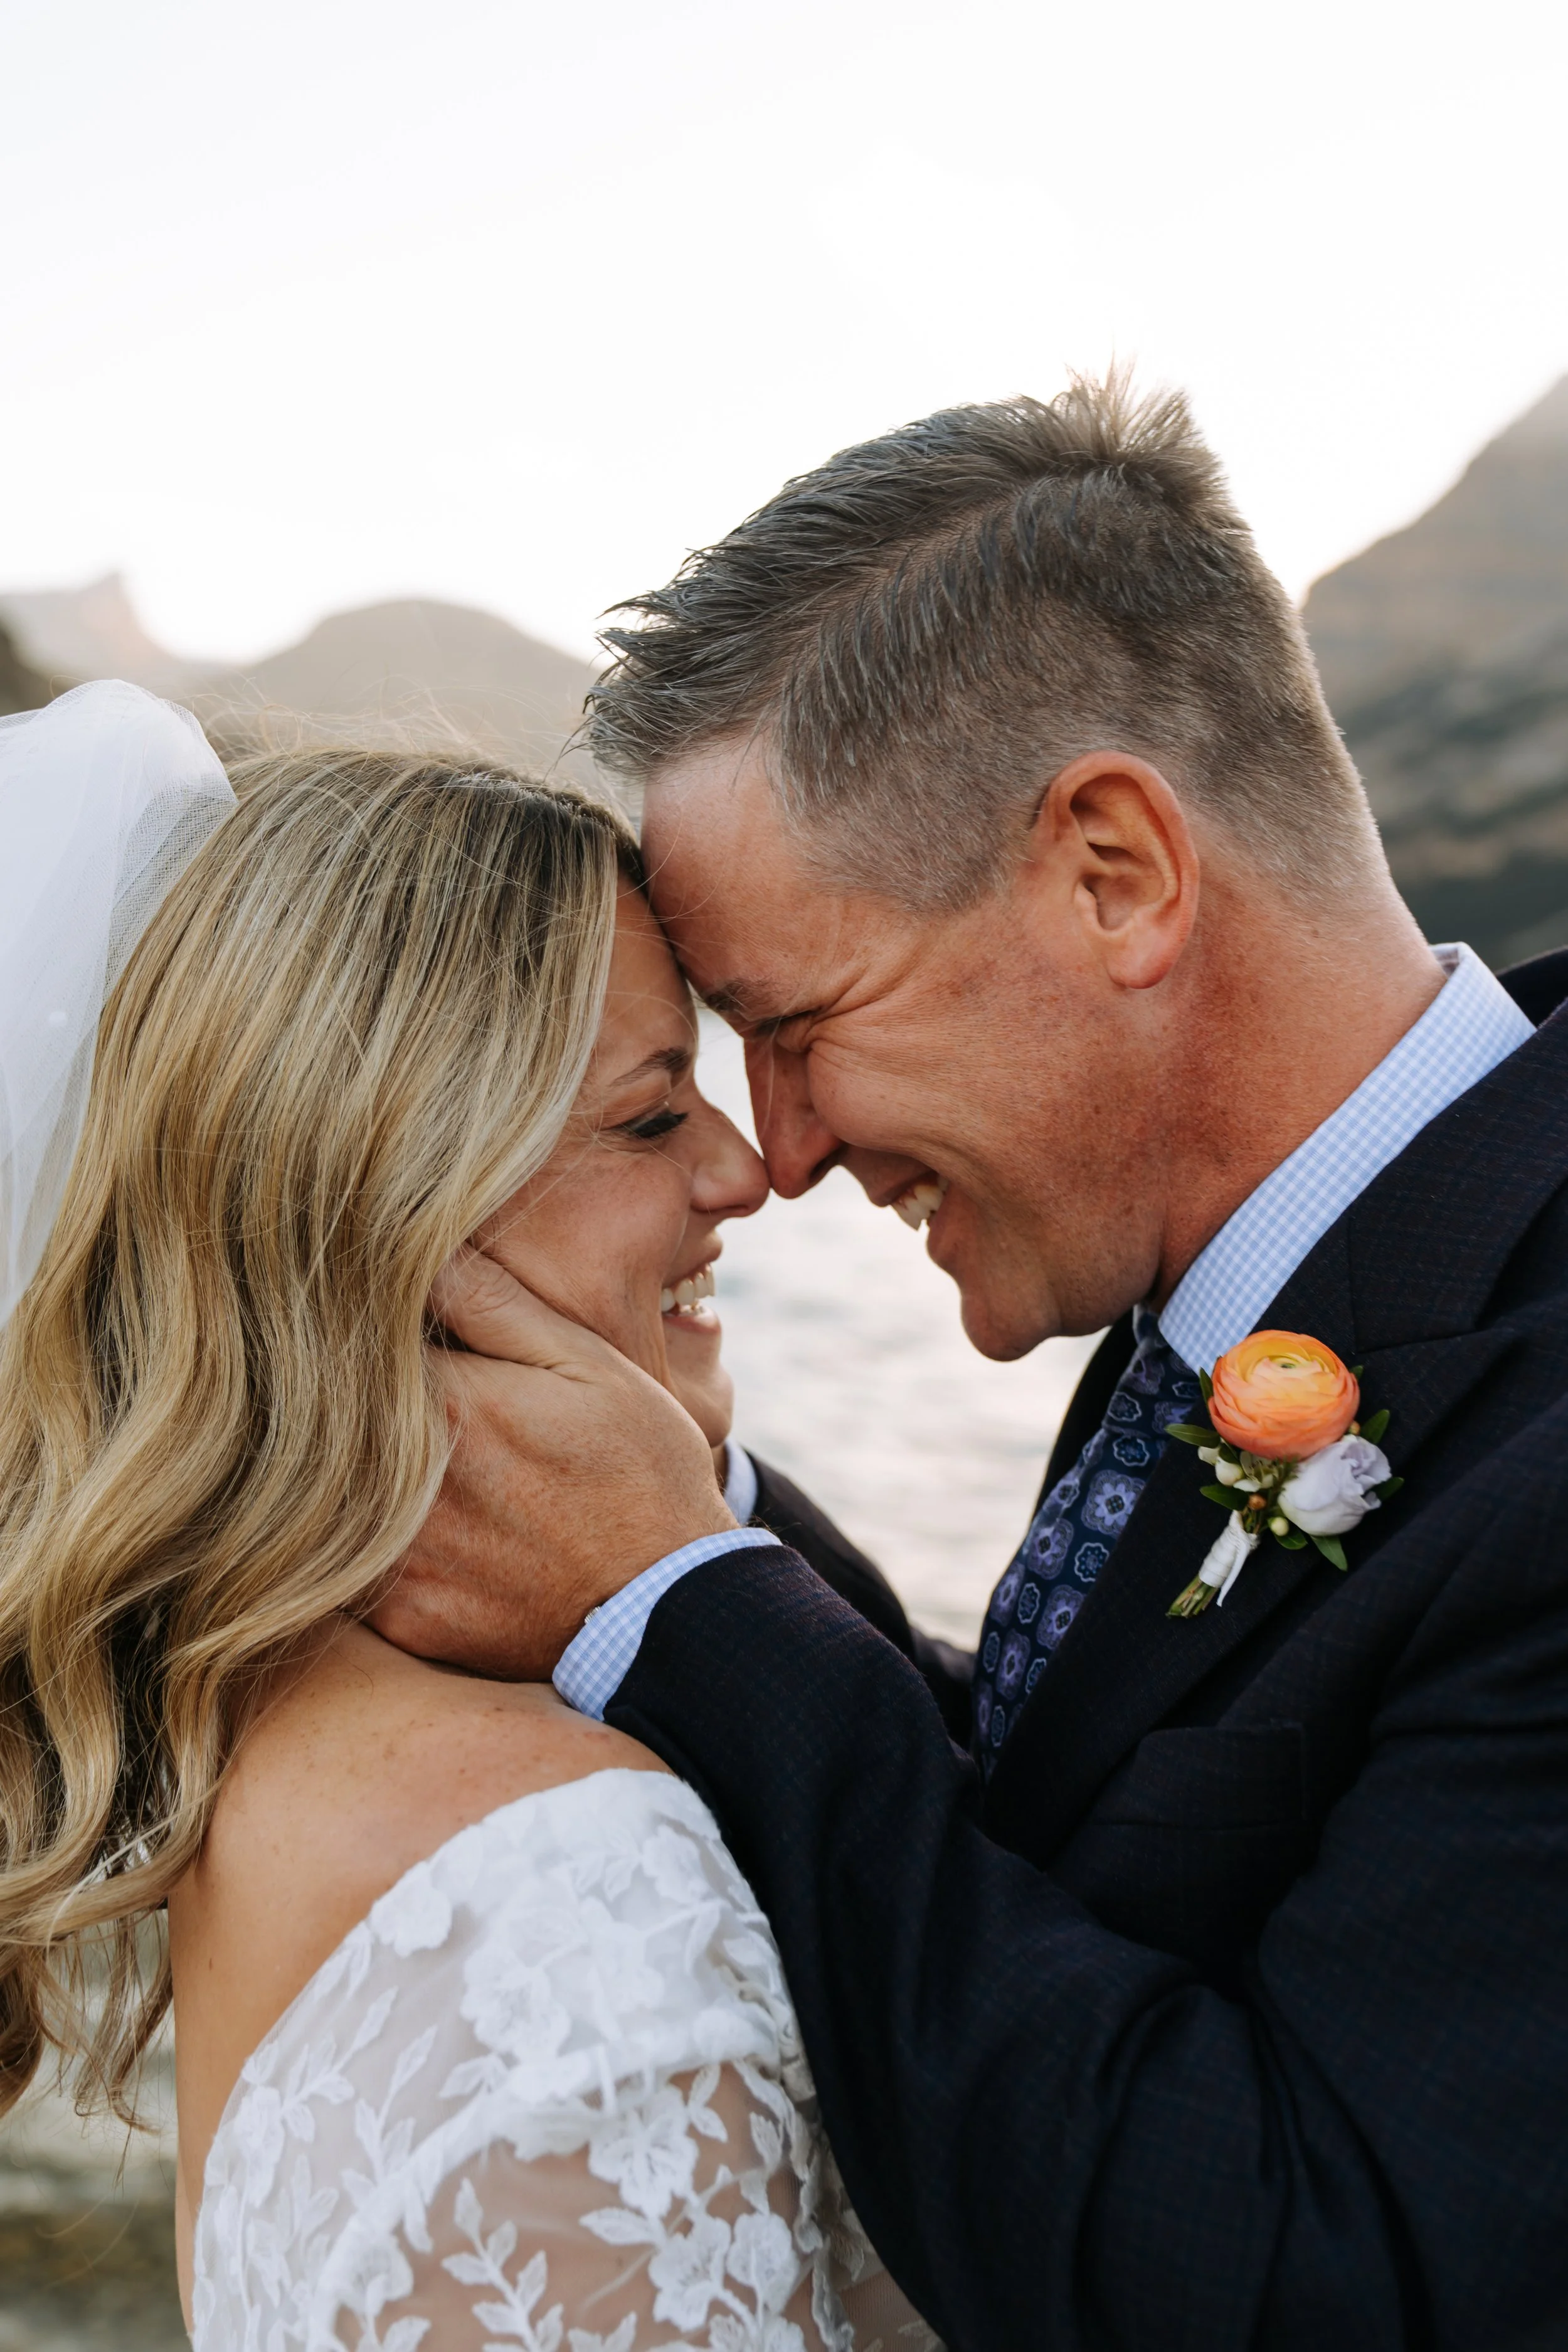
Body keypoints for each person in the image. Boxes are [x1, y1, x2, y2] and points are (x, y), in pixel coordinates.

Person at [374, 378, 1568, 2349]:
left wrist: (679, 1620)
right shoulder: (1240, 1292)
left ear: (1113, 870)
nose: (785, 1148)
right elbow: (1104, 1802)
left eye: (798, 1016)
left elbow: (1337, 2283)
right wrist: (693, 1519)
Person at [0, 684, 935, 2351]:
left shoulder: (259, 1745)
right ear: (390, 1215)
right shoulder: (568, 1875)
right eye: (652, 1113)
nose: (749, 1168)